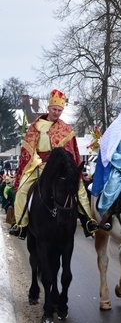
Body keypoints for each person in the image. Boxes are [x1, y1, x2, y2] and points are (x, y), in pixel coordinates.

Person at [10, 89, 99, 240]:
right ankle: (21, 225)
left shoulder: (66, 129)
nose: (57, 113)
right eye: (54, 109)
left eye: (60, 110)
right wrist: (37, 162)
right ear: (48, 108)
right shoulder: (35, 127)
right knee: (23, 190)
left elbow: (72, 152)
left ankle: (87, 222)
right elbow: (28, 150)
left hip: (61, 168)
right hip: (39, 165)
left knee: (79, 189)